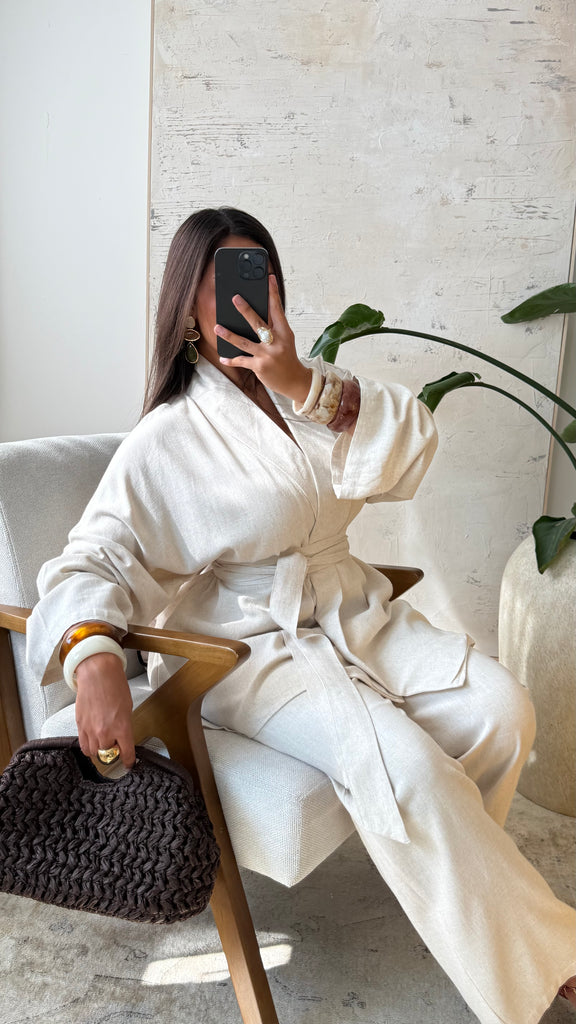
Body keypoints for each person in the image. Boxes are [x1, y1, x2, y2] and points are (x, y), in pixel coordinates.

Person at [26, 207, 575, 1023]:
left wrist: (300, 386)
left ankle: (462, 900)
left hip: (352, 612)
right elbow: (94, 556)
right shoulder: (170, 436)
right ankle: (550, 966)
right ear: (187, 309)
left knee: (503, 711)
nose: (250, 297)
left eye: (263, 274)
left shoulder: (315, 390)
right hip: (248, 646)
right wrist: (94, 655)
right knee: (407, 769)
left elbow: (411, 446)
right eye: (225, 282)